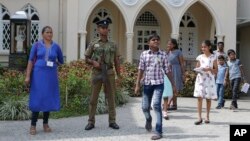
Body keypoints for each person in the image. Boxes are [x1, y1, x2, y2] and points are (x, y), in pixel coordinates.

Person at [135, 33, 176, 140]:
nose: (156, 41)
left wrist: (173, 85)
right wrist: (137, 85)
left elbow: (168, 71)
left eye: (158, 40)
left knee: (157, 105)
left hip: (159, 83)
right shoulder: (144, 54)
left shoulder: (163, 55)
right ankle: (148, 119)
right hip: (147, 84)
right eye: (153, 40)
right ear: (149, 42)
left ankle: (159, 131)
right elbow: (140, 70)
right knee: (145, 107)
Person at [25, 26, 64, 135]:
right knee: (37, 97)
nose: (50, 34)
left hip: (50, 75)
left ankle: (45, 123)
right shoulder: (36, 45)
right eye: (47, 32)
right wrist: (28, 76)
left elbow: (61, 60)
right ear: (42, 34)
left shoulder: (56, 46)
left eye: (51, 32)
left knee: (48, 98)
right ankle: (33, 125)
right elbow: (30, 61)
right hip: (38, 75)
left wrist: (56, 63)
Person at [84, 19, 121, 130]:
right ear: (98, 29)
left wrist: (119, 75)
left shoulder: (113, 44)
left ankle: (112, 121)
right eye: (102, 27)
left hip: (109, 72)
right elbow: (86, 58)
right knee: (93, 98)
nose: (104, 29)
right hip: (97, 73)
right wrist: (93, 62)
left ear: (108, 29)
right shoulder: (93, 43)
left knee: (111, 98)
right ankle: (91, 122)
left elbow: (116, 60)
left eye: (106, 28)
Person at [193, 40, 217, 125]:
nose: (203, 48)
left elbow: (216, 71)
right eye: (202, 47)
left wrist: (210, 69)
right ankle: (199, 117)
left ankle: (207, 116)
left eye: (205, 47)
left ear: (209, 47)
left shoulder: (213, 57)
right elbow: (196, 69)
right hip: (200, 79)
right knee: (199, 98)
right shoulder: (199, 57)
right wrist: (199, 70)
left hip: (209, 79)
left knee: (208, 98)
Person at [166, 38, 185, 110]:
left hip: (176, 70)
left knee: (175, 87)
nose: (168, 45)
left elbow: (182, 63)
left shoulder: (178, 52)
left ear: (174, 45)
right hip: (168, 71)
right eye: (167, 44)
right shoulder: (167, 52)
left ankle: (168, 104)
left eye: (170, 44)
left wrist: (183, 74)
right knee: (169, 87)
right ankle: (174, 105)